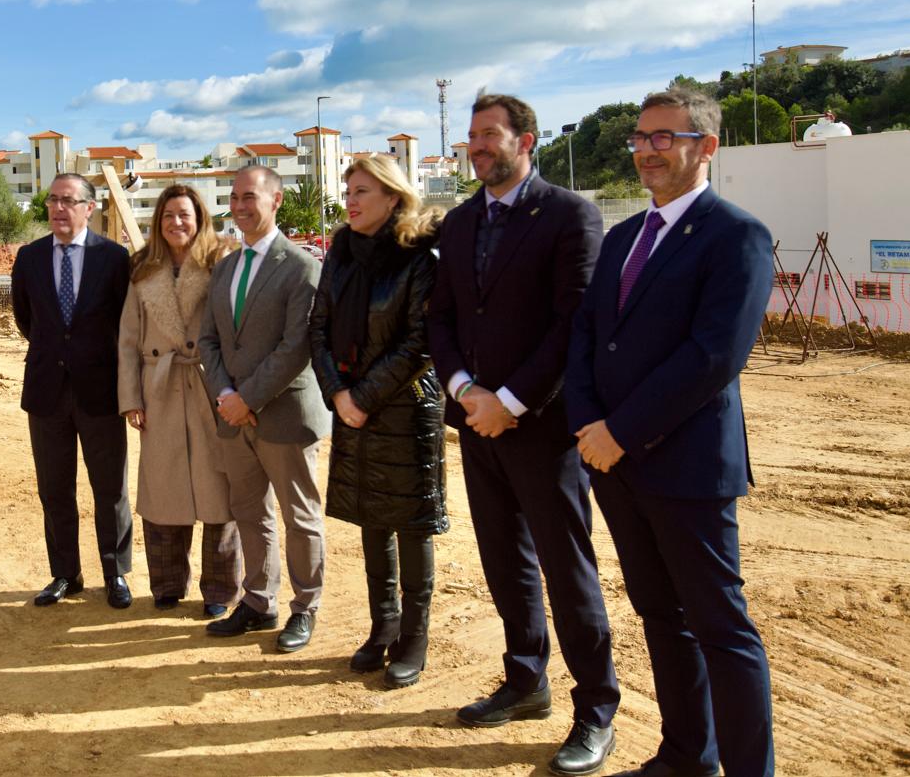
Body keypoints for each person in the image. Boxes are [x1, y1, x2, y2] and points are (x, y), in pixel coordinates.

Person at [567, 87, 776, 777]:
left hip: (685, 467)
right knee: (661, 616)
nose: (647, 151)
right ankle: (689, 756)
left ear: (705, 147)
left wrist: (620, 431)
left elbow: (713, 355)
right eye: (640, 137)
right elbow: (590, 337)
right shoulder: (625, 236)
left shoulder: (736, 235)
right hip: (616, 465)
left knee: (722, 630)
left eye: (664, 137)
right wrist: (588, 426)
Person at [426, 94, 620, 776]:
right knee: (505, 562)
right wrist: (465, 392)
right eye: (471, 137)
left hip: (543, 428)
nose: (477, 146)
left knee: (567, 571)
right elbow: (441, 319)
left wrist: (510, 400)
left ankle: (596, 708)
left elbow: (575, 325)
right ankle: (525, 680)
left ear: (525, 141)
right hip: (477, 424)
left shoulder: (569, 214)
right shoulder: (459, 220)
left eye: (489, 135)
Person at [308, 154, 445, 688]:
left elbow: (421, 341)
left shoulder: (418, 258)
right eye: (349, 190)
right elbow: (317, 328)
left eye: (363, 190)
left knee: (411, 525)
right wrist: (338, 394)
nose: (351, 200)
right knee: (371, 521)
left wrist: (361, 396)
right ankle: (382, 627)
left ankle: (414, 638)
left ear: (393, 197)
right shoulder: (340, 253)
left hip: (404, 407)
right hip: (351, 405)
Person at [198, 166, 327, 653]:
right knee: (251, 513)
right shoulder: (226, 268)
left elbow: (296, 347)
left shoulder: (301, 266)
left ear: (275, 200)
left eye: (249, 196)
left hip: (283, 416)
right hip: (233, 416)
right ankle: (257, 601)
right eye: (234, 197)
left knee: (300, 516)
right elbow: (209, 339)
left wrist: (246, 399)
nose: (240, 205)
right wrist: (225, 395)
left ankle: (305, 607)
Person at [117, 184, 243, 617]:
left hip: (210, 385)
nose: (176, 223)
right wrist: (131, 397)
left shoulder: (219, 261)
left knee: (218, 491)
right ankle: (168, 584)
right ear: (158, 221)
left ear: (199, 217)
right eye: (168, 215)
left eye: (184, 215)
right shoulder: (141, 269)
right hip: (159, 389)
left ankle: (221, 590)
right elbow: (128, 340)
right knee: (162, 488)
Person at [11, 172, 135, 608]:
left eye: (68, 201)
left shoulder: (115, 258)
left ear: (90, 207)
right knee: (54, 488)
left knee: (110, 488)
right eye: (52, 201)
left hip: (100, 391)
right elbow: (28, 321)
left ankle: (115, 573)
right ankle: (65, 573)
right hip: (46, 393)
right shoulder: (28, 258)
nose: (58, 209)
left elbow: (125, 324)